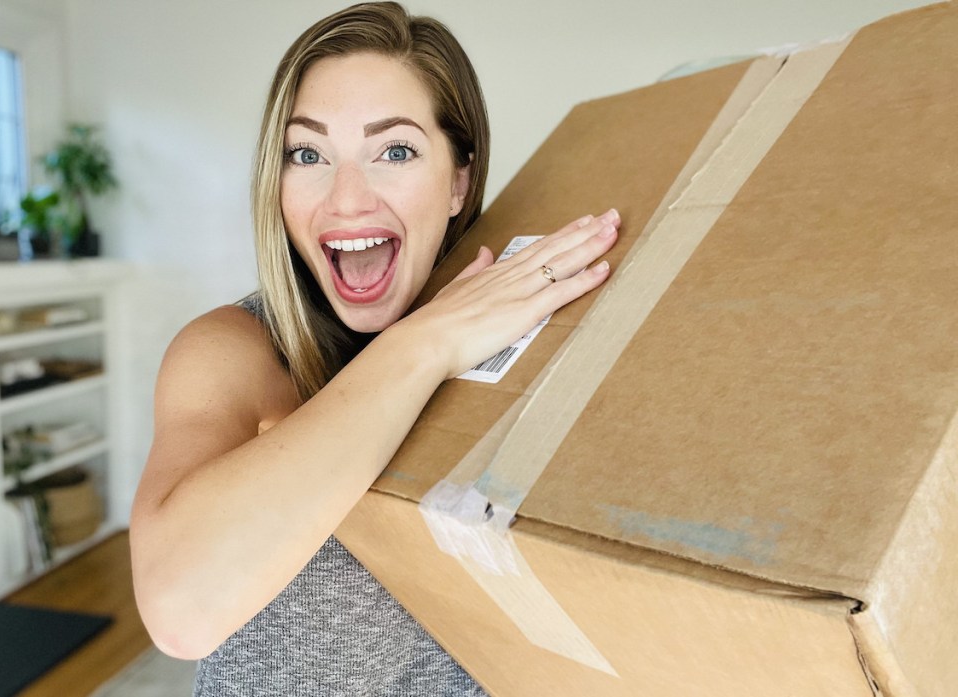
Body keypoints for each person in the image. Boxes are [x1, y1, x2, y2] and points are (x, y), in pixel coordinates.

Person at [130, 2, 620, 695]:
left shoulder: (531, 335)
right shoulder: (231, 351)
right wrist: (424, 344)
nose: (347, 199)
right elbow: (180, 611)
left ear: (458, 181)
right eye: (308, 154)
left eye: (394, 151)